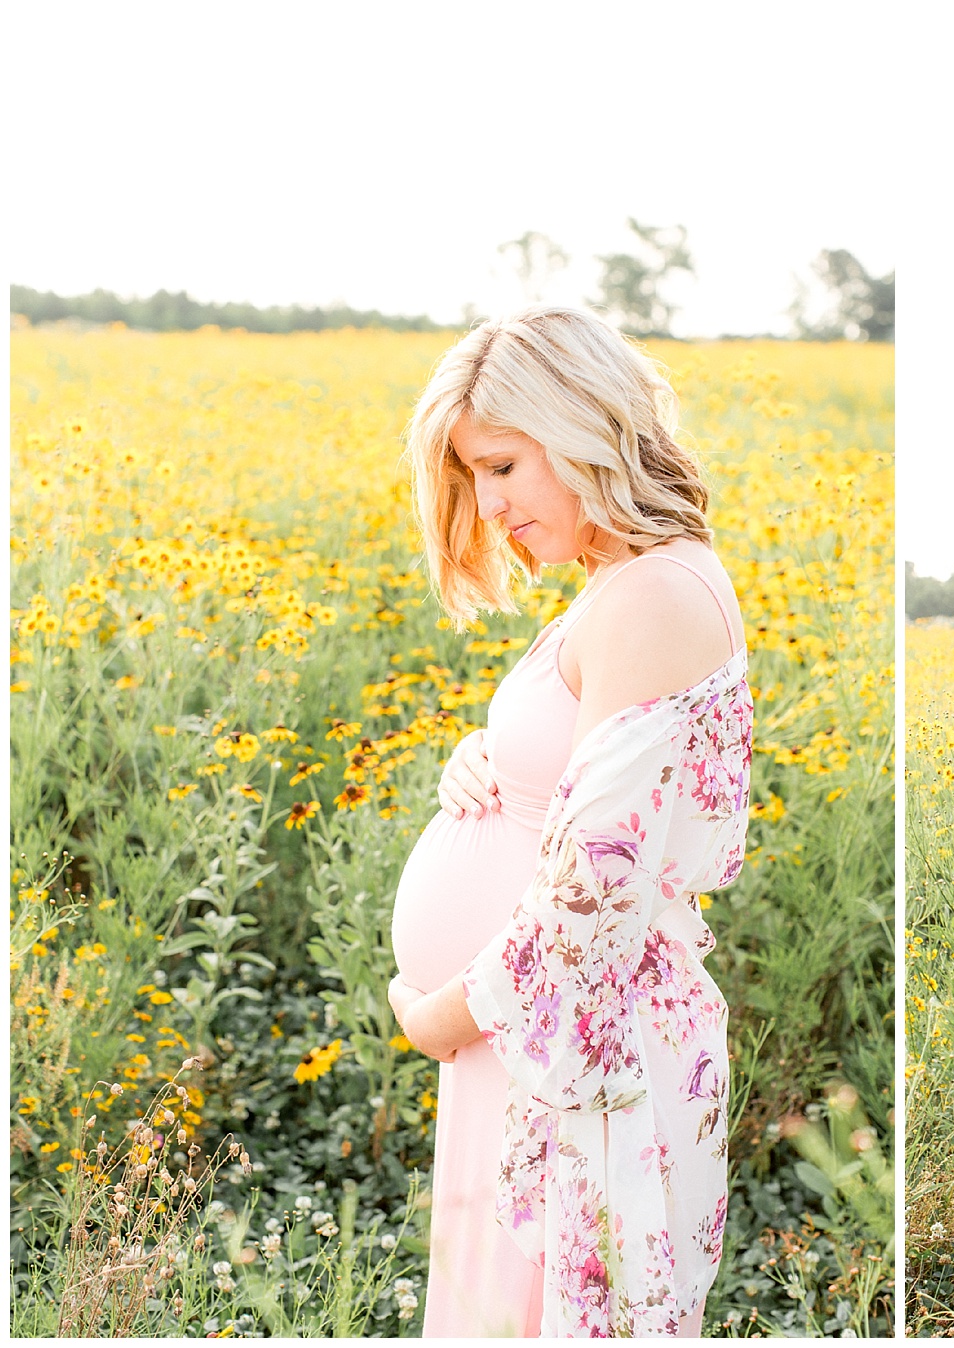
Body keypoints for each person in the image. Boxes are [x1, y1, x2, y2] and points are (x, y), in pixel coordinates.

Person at [383, 306, 752, 1336]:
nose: (490, 505)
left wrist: (438, 1018)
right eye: (472, 478)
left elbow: (595, 903)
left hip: (576, 1050)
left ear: (581, 428)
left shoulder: (649, 596)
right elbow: (591, 777)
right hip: (541, 1040)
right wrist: (490, 759)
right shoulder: (626, 584)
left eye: (501, 465)